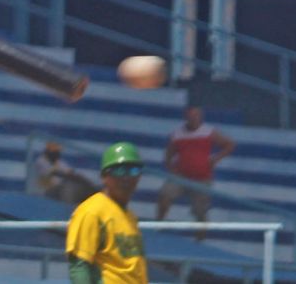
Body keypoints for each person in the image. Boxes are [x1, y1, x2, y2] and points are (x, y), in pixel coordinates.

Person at [66, 142, 148, 284]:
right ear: (104, 176)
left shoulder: (130, 217)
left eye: (133, 170)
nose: (126, 178)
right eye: (119, 170)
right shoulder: (92, 211)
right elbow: (79, 266)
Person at [157, 106, 234, 239]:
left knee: (200, 212)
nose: (193, 119)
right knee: (164, 195)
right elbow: (169, 153)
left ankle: (200, 241)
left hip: (202, 177)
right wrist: (170, 167)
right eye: (191, 116)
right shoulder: (177, 134)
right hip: (181, 176)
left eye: (196, 116)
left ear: (201, 117)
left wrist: (216, 158)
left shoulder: (209, 131)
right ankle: (158, 225)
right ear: (186, 117)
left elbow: (229, 144)